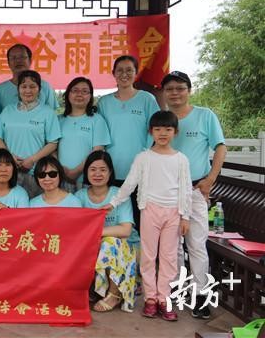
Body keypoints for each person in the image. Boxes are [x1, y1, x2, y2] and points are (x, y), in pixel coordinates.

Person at [104, 111, 191, 321]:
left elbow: (186, 189)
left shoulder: (181, 159)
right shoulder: (144, 157)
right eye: (158, 129)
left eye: (168, 129)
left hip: (173, 213)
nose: (163, 133)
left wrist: (185, 216)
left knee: (169, 257)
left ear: (176, 132)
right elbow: (130, 183)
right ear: (151, 132)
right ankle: (151, 298)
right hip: (150, 210)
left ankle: (165, 299)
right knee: (148, 256)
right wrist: (113, 202)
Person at [162, 70, 227, 319]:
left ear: (189, 90)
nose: (175, 93)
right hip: (168, 192)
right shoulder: (162, 119)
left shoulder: (204, 116)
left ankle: (200, 295)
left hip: (196, 189)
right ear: (164, 93)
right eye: (170, 89)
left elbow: (220, 147)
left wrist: (210, 179)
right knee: (173, 246)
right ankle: (178, 290)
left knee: (197, 244)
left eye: (180, 88)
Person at [97, 55, 160, 227]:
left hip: (141, 169)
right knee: (115, 218)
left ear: (136, 73)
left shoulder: (147, 99)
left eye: (129, 70)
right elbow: (100, 134)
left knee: (141, 219)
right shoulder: (104, 102)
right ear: (113, 73)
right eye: (120, 70)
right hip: (112, 169)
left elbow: (157, 130)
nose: (124, 74)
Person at [75, 150, 138, 313]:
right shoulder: (79, 196)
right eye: (93, 169)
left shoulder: (119, 195)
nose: (97, 174)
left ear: (110, 172)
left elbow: (125, 230)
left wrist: (95, 232)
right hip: (94, 243)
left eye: (103, 170)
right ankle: (94, 288)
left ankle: (114, 294)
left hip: (125, 247)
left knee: (109, 243)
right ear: (86, 172)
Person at [0, 70, 61, 198]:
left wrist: (32, 160)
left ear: (39, 89)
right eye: (24, 86)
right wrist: (9, 157)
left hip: (37, 173)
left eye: (32, 86)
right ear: (18, 89)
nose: (28, 90)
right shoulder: (8, 110)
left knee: (36, 207)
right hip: (10, 172)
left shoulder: (47, 112)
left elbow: (53, 143)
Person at [58, 77, 111, 192]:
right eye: (75, 90)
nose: (79, 94)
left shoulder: (97, 120)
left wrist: (75, 172)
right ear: (68, 94)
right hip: (60, 177)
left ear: (90, 96)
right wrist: (60, 169)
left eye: (85, 91)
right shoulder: (58, 120)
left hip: (87, 179)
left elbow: (97, 151)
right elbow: (52, 147)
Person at [0, 43, 58, 111]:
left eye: (22, 57)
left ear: (30, 61)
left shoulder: (45, 86)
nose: (18, 60)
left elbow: (51, 112)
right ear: (8, 63)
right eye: (13, 58)